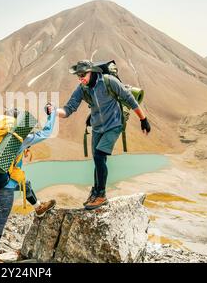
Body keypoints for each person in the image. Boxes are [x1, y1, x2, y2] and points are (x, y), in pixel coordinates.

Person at [47, 60, 151, 210]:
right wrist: (54, 111)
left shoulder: (109, 81)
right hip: (97, 128)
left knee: (99, 156)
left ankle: (101, 195)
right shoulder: (82, 88)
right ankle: (95, 192)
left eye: (83, 74)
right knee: (97, 160)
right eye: (78, 75)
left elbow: (129, 98)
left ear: (92, 71)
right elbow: (69, 109)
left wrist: (143, 119)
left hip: (114, 125)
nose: (80, 78)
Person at [0, 108, 57, 263]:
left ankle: (38, 207)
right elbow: (46, 133)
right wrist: (52, 115)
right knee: (1, 219)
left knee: (25, 184)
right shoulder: (18, 138)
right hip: (4, 184)